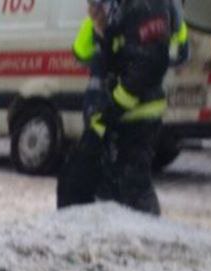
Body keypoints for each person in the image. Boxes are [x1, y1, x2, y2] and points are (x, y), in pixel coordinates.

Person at [57, 0, 182, 214]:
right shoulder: (122, 10)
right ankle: (120, 235)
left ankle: (149, 235)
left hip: (139, 114)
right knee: (110, 184)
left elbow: (147, 67)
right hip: (120, 112)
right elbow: (87, 54)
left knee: (132, 183)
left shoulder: (146, 7)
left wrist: (112, 108)